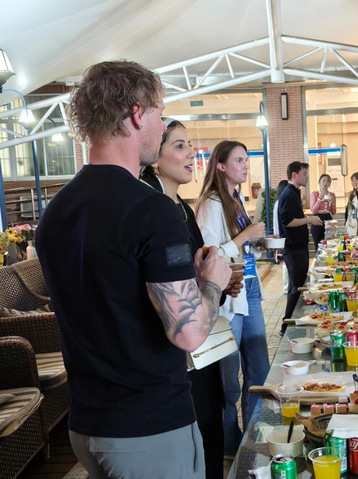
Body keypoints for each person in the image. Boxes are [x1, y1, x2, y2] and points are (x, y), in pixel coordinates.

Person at [35, 60, 231, 479]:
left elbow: (112, 296)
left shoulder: (55, 212)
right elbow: (189, 333)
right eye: (161, 114)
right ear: (138, 113)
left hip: (86, 426)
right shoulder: (151, 209)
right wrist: (213, 284)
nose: (161, 128)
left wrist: (190, 280)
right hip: (149, 428)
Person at [140, 120, 242, 478]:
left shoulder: (181, 208)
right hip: (176, 347)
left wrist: (219, 283)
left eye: (190, 145)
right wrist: (209, 283)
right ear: (155, 157)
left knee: (211, 420)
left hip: (202, 342)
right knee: (195, 432)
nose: (191, 153)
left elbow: (194, 271)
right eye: (179, 145)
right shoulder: (152, 209)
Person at [195, 140, 270, 457]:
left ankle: (255, 434)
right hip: (229, 294)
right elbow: (209, 255)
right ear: (221, 166)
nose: (245, 165)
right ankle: (228, 441)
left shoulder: (235, 199)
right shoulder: (211, 203)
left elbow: (239, 247)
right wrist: (244, 237)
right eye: (239, 160)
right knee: (228, 380)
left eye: (246, 159)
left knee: (259, 366)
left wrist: (256, 242)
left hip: (248, 287)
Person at [278, 161, 323, 335]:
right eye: (304, 173)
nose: (307, 177)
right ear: (294, 175)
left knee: (298, 285)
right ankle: (286, 325)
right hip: (293, 248)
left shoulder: (294, 193)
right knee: (295, 287)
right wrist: (309, 219)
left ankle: (293, 323)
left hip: (299, 247)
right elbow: (287, 221)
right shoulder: (289, 193)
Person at [310, 173, 337, 251]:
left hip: (328, 218)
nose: (325, 183)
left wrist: (333, 203)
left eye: (328, 181)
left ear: (330, 184)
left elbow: (333, 212)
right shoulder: (314, 194)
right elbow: (313, 210)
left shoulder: (332, 195)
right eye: (323, 181)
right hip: (317, 218)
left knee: (330, 243)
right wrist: (319, 200)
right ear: (319, 182)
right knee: (318, 244)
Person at [273, 179, 290, 293]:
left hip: (280, 235)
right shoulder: (281, 203)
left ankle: (286, 287)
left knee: (287, 262)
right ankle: (286, 287)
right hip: (283, 236)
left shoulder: (277, 202)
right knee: (287, 262)